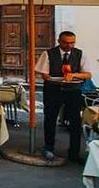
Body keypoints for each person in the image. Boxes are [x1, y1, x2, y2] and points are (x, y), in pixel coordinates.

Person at [36, 31, 91, 162]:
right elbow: (44, 74)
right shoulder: (48, 54)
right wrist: (53, 77)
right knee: (50, 118)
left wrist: (74, 75)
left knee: (75, 121)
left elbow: (88, 74)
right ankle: (49, 148)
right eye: (66, 42)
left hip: (73, 91)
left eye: (72, 42)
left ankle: (74, 152)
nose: (69, 45)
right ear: (59, 41)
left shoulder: (80, 54)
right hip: (53, 90)